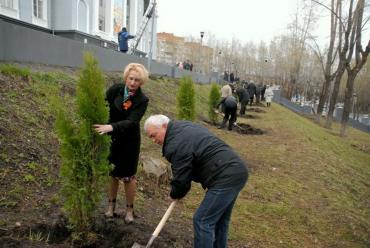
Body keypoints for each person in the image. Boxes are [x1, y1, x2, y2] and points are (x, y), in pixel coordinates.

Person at [144, 115, 248, 248]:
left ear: (164, 126)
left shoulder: (175, 144)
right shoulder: (183, 126)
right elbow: (190, 164)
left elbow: (182, 179)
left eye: (154, 135)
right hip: (236, 169)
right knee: (220, 220)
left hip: (225, 175)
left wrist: (175, 193)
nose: (153, 140)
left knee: (202, 220)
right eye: (150, 137)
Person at [93, 63, 149, 223]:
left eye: (137, 80)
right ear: (126, 78)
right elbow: (102, 105)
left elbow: (132, 122)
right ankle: (110, 207)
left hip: (129, 142)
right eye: (131, 78)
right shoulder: (115, 90)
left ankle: (129, 210)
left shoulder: (142, 100)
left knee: (128, 177)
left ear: (141, 82)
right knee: (112, 174)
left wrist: (110, 126)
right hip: (111, 138)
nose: (133, 83)